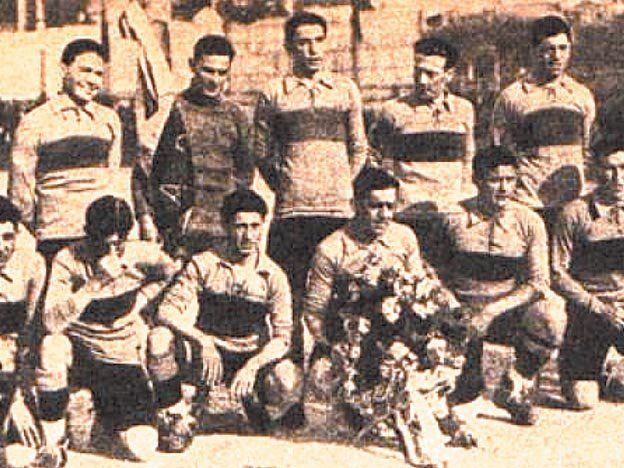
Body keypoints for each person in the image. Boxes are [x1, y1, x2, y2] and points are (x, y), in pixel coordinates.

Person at [303, 166, 474, 466]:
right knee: (344, 394)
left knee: (420, 363)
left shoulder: (404, 237)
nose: (384, 215)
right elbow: (314, 314)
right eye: (375, 206)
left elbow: (421, 293)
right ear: (355, 204)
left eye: (390, 206)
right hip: (352, 340)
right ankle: (399, 420)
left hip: (401, 336)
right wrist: (339, 348)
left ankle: (428, 426)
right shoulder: (331, 249)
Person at [34, 196, 188, 464]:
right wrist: (94, 284)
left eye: (118, 244)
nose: (110, 252)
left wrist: (141, 300)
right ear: (87, 233)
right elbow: (51, 323)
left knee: (142, 448)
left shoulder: (141, 254)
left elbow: (170, 272)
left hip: (121, 356)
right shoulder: (67, 259)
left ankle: (108, 420)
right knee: (52, 346)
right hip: (81, 351)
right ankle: (53, 443)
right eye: (103, 244)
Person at [253, 11, 368, 354]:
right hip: (292, 213)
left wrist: (340, 182)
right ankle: (289, 368)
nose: (313, 49)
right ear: (290, 47)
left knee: (339, 298)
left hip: (338, 211)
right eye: (303, 42)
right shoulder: (274, 92)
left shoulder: (346, 90)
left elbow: (359, 148)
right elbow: (261, 153)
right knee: (290, 296)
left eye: (318, 40)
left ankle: (330, 368)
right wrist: (290, 184)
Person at [154, 189, 303, 434]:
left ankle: (255, 401)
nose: (248, 235)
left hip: (248, 354)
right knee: (159, 338)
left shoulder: (273, 275)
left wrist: (253, 366)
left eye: (255, 226)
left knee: (287, 380)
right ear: (225, 226)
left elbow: (282, 338)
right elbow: (166, 311)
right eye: (240, 227)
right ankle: (175, 415)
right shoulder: (204, 263)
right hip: (208, 354)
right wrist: (202, 340)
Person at [440, 146, 567, 425]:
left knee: (552, 314)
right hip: (460, 312)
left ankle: (515, 384)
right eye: (495, 180)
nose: (504, 188)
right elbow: (437, 274)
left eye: (510, 180)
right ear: (476, 180)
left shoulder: (529, 221)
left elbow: (538, 282)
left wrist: (491, 311)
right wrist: (455, 308)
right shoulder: (453, 218)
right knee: (459, 400)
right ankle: (467, 379)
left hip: (504, 311)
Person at [9, 39, 123, 263]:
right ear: (64, 69)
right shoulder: (35, 121)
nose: (93, 81)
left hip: (100, 236)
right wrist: (44, 225)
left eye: (99, 74)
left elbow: (112, 177)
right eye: (85, 70)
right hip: (55, 235)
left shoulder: (109, 119)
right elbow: (20, 190)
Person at [139, 34, 253, 256]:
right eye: (208, 71)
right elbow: (146, 169)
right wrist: (148, 217)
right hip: (181, 230)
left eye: (222, 73)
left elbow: (245, 174)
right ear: (192, 66)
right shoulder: (174, 109)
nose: (215, 80)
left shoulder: (236, 115)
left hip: (223, 230)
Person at [369, 37, 475, 263]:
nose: (421, 80)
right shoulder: (393, 111)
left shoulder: (464, 110)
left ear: (448, 75)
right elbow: (379, 161)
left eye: (431, 74)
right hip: (409, 216)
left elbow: (468, 160)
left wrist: (464, 201)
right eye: (417, 72)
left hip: (452, 214)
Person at [491, 15, 595, 227]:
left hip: (571, 205)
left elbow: (587, 148)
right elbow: (499, 150)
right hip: (528, 204)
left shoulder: (581, 95)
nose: (557, 56)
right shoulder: (512, 97)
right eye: (549, 49)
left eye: (563, 48)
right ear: (533, 51)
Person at [552, 140, 624, 408]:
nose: (618, 178)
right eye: (609, 168)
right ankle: (594, 369)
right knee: (583, 401)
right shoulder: (574, 213)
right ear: (594, 170)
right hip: (591, 311)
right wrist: (599, 307)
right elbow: (557, 273)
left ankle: (614, 370)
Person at [0, 197, 48, 467]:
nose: (1, 247)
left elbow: (30, 332)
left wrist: (19, 393)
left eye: (8, 237)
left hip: (13, 371)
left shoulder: (31, 265)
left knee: (22, 455)